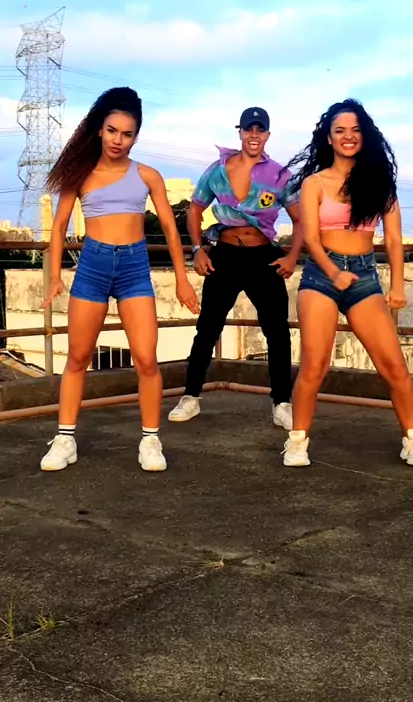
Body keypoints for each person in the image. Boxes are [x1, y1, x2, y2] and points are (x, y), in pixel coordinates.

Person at [40, 87, 199, 473]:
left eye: (127, 134)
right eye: (112, 131)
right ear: (100, 129)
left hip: (134, 269)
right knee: (78, 357)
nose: (118, 140)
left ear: (135, 137)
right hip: (92, 268)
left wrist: (182, 279)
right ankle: (65, 439)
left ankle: (150, 440)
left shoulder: (147, 175)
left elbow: (170, 229)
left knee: (146, 359)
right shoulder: (80, 174)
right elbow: (59, 227)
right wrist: (55, 276)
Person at [281, 98, 413, 468]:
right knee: (315, 365)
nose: (348, 136)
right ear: (329, 138)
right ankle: (297, 441)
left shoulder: (380, 184)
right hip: (322, 275)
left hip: (364, 276)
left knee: (393, 365)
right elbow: (311, 238)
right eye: (340, 131)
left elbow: (393, 239)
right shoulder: (315, 183)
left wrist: (398, 286)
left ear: (364, 136)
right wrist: (334, 273)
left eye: (355, 130)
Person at [168, 107, 303, 430]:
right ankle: (190, 396)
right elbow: (195, 209)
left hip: (263, 257)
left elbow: (301, 220)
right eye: (248, 129)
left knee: (277, 331)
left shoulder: (279, 175)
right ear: (240, 132)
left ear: (267, 135)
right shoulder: (218, 170)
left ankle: (282, 403)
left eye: (260, 130)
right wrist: (197, 250)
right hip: (225, 255)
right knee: (208, 327)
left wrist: (291, 257)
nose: (254, 135)